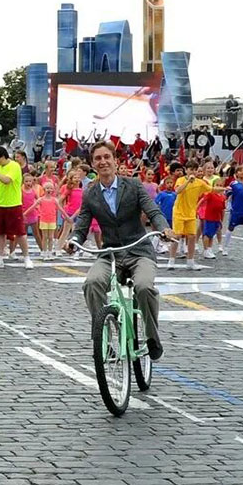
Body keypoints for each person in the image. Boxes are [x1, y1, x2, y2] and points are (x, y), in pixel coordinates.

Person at [69, 140, 175, 359]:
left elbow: (153, 211)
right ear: (93, 164)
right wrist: (73, 240)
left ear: (115, 161)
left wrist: (164, 229)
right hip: (110, 253)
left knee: (145, 287)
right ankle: (102, 337)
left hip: (139, 250)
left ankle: (152, 337)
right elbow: (82, 225)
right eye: (98, 158)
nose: (103, 162)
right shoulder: (90, 193)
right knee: (91, 283)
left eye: (107, 157)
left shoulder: (133, 185)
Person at [0, 146, 32, 269]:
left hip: (13, 204)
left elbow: (6, 180)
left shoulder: (14, 166)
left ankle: (27, 258)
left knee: (20, 233)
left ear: (2, 156)